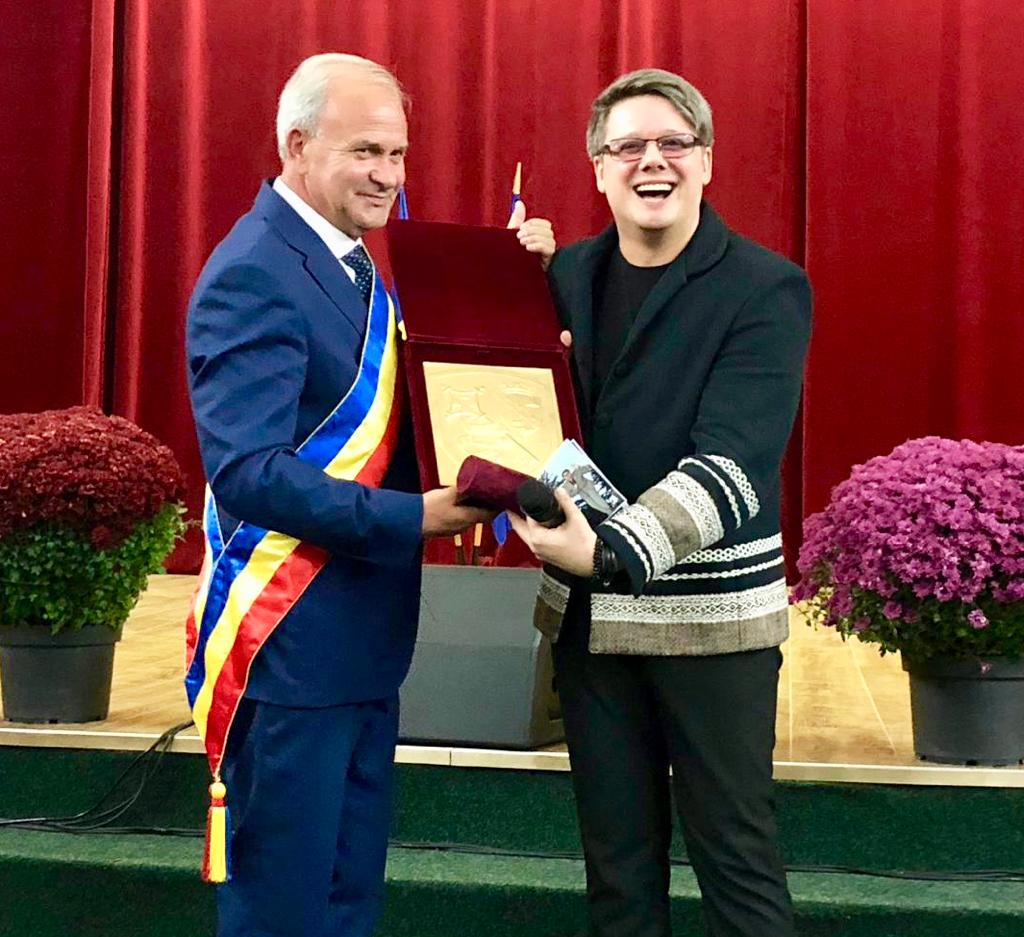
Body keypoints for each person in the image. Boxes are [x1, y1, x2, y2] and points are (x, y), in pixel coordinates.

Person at [185, 53, 553, 937]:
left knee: (347, 901)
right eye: (365, 152)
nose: (389, 174)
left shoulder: (349, 262)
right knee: (286, 907)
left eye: (397, 153)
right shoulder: (255, 269)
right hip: (288, 640)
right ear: (297, 145)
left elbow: (398, 412)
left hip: (359, 641)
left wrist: (509, 300)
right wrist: (414, 517)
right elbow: (250, 470)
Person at [509, 68, 812, 937]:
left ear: (706, 162)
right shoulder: (566, 273)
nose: (653, 160)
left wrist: (608, 551)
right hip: (589, 625)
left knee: (738, 870)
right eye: (629, 146)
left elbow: (735, 465)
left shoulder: (765, 286)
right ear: (599, 169)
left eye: (674, 142)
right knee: (617, 878)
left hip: (710, 626)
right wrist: (501, 290)